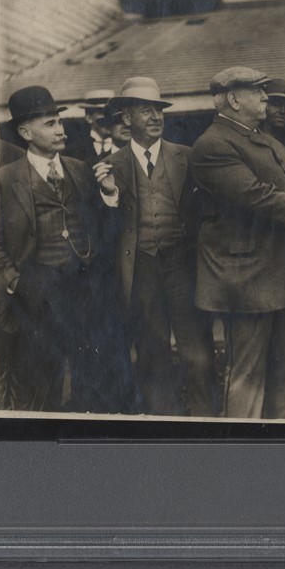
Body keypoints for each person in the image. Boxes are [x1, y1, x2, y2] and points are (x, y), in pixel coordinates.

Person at [190, 66, 285, 420]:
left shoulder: (264, 137)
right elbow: (255, 196)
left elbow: (282, 189)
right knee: (247, 377)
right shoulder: (212, 145)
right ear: (234, 100)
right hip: (248, 280)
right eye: (258, 91)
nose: (267, 97)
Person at [0, 86, 134, 413]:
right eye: (50, 124)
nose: (60, 130)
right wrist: (16, 282)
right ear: (25, 132)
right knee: (43, 384)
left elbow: (105, 233)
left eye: (59, 122)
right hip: (37, 295)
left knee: (91, 379)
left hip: (85, 291)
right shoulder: (4, 180)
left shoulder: (80, 170)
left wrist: (111, 195)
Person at [95, 77, 218, 417]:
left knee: (197, 351)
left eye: (158, 110)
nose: (155, 117)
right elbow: (105, 235)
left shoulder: (186, 157)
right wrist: (109, 195)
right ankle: (164, 421)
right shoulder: (111, 166)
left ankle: (205, 422)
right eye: (145, 110)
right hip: (142, 269)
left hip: (182, 265)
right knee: (152, 351)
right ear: (125, 120)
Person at [64, 88, 116, 165]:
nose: (108, 119)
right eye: (103, 113)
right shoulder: (75, 148)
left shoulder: (124, 145)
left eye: (111, 114)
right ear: (89, 118)